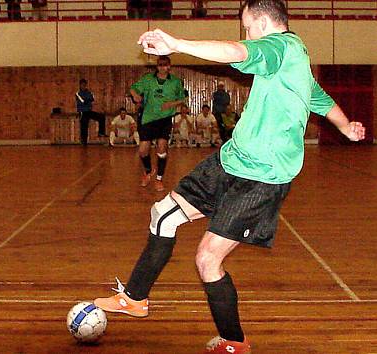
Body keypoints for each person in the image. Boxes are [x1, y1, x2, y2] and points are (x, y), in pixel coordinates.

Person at [94, 1, 366, 353]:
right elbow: (317, 96)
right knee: (162, 215)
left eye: (248, 26)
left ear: (265, 23)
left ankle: (234, 341)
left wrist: (176, 44)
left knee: (208, 259)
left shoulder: (278, 47)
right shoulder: (293, 59)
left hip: (263, 177)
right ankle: (135, 298)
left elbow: (237, 50)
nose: (247, 34)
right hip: (230, 161)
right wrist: (346, 126)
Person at [130, 55, 185, 191]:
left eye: (165, 65)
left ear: (169, 66)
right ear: (157, 66)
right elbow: (133, 88)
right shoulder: (148, 79)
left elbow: (182, 99)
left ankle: (159, 179)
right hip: (148, 118)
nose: (162, 67)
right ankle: (148, 171)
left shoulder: (175, 82)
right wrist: (135, 95)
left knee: (161, 147)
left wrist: (171, 104)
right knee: (143, 150)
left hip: (165, 118)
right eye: (160, 65)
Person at [75, 79, 106, 145]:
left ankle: (101, 132)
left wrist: (88, 100)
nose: (83, 86)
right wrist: (88, 100)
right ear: (80, 85)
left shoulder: (89, 92)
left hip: (89, 111)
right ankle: (84, 142)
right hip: (82, 112)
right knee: (84, 127)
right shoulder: (78, 93)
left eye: (84, 85)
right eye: (82, 85)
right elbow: (83, 101)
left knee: (101, 117)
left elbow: (92, 99)